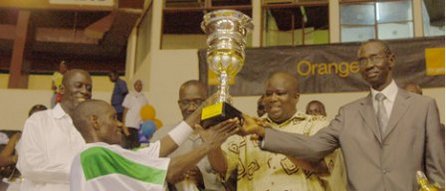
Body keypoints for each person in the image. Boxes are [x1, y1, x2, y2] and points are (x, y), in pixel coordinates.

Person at [243, 39, 445, 191]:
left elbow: (437, 170)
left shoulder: (423, 107)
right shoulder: (348, 113)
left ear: (391, 60)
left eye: (375, 57)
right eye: (363, 60)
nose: (369, 65)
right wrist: (264, 132)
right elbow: (313, 147)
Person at [208, 72, 346, 191]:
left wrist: (269, 137)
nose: (273, 99)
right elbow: (222, 168)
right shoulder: (250, 128)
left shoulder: (316, 126)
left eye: (280, 93)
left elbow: (322, 167)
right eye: (268, 94)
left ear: (296, 97)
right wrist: (212, 143)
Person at [69, 99, 239, 191]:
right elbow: (170, 171)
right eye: (113, 118)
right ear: (94, 122)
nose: (121, 124)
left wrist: (199, 112)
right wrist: (210, 144)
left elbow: (157, 150)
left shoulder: (96, 156)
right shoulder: (95, 155)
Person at [17, 69, 92, 191]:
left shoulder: (90, 126)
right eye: (79, 86)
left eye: (89, 88)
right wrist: (83, 170)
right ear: (62, 89)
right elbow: (30, 166)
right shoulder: (39, 120)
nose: (85, 91)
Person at [151, 80, 228, 191]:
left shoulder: (220, 131)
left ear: (208, 102)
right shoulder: (162, 135)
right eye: (186, 102)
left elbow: (223, 170)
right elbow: (149, 171)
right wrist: (173, 174)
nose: (191, 108)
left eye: (198, 102)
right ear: (179, 104)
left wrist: (203, 180)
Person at [122, 79, 149, 149]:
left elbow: (145, 112)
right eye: (137, 84)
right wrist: (124, 125)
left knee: (136, 146)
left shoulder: (144, 98)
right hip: (129, 125)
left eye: (140, 85)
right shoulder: (129, 96)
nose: (139, 86)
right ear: (134, 85)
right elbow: (125, 110)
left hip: (139, 125)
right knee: (128, 146)